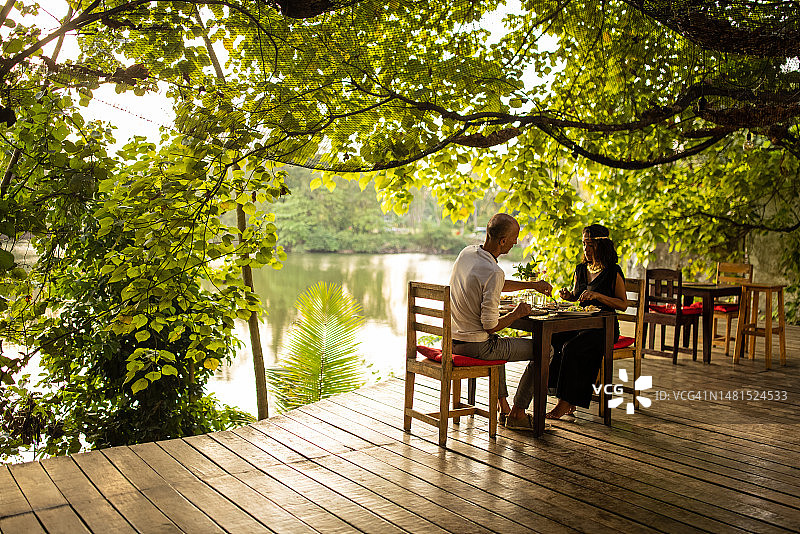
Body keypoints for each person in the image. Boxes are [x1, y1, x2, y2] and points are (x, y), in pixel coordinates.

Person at [449, 213, 553, 431]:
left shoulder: (467, 254)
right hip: (478, 347)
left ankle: (503, 407)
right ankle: (518, 413)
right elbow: (490, 325)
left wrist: (531, 285)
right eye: (514, 238)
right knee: (546, 349)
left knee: (500, 341)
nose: (516, 242)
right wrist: (516, 313)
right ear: (502, 241)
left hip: (454, 341)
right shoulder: (494, 271)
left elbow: (495, 283)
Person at [547, 223, 627, 419]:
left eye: (590, 245)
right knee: (554, 339)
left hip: (603, 329)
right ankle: (558, 393)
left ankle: (564, 403)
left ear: (602, 246)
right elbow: (578, 296)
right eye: (584, 244)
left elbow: (623, 304)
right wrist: (569, 296)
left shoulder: (612, 271)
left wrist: (598, 296)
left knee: (573, 348)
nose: (586, 249)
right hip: (580, 324)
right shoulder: (581, 269)